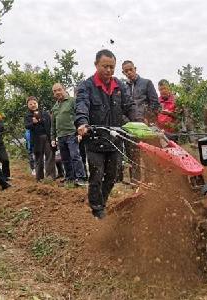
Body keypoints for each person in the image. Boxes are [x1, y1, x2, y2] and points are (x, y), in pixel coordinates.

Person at [76, 49, 140, 219]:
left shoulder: (119, 86)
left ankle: (100, 202)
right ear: (96, 65)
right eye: (105, 66)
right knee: (97, 175)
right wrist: (82, 123)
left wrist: (139, 123)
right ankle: (97, 209)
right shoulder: (86, 86)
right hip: (95, 139)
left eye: (112, 67)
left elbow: (130, 106)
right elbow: (82, 105)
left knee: (113, 175)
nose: (109, 70)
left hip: (114, 139)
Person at [121, 60, 161, 182]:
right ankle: (135, 182)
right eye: (126, 71)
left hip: (146, 127)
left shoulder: (146, 83)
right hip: (130, 128)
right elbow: (121, 107)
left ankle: (152, 182)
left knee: (150, 155)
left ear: (135, 69)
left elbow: (155, 104)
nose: (129, 72)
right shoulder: (123, 88)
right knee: (133, 155)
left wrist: (148, 119)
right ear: (123, 73)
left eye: (130, 69)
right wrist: (126, 122)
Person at [51, 83, 86, 186]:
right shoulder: (55, 107)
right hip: (61, 135)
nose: (57, 92)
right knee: (65, 159)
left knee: (75, 156)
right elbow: (53, 124)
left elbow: (79, 116)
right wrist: (53, 138)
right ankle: (69, 178)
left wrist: (79, 133)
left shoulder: (72, 101)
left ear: (64, 89)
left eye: (59, 90)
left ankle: (81, 178)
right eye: (55, 91)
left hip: (72, 133)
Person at [24, 96, 56, 181]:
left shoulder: (45, 113)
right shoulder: (28, 116)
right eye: (30, 104)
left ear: (37, 104)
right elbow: (27, 126)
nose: (33, 105)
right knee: (38, 158)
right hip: (36, 139)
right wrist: (33, 123)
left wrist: (53, 138)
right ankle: (39, 178)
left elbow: (50, 125)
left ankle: (50, 177)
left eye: (34, 103)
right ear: (28, 105)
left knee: (50, 156)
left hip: (47, 137)